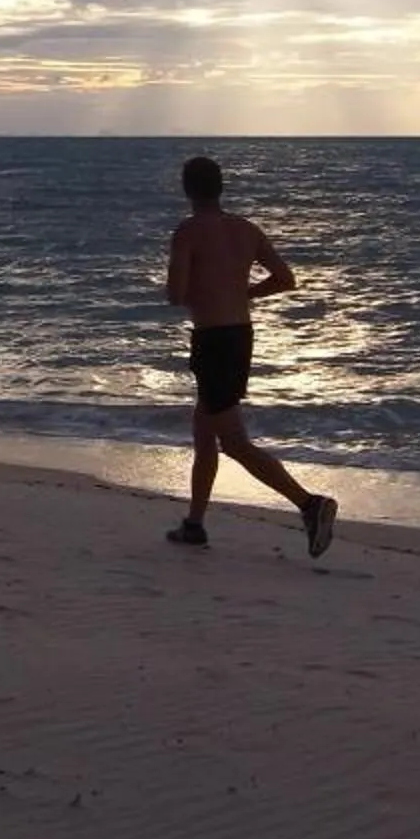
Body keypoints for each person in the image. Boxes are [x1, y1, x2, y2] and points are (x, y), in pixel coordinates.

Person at [162, 154, 337, 557]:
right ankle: (194, 525)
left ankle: (310, 505)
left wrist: (202, 290)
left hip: (212, 340)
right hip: (241, 335)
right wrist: (243, 293)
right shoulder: (246, 229)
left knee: (234, 442)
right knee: (204, 433)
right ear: (220, 187)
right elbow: (285, 279)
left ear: (187, 190)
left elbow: (176, 294)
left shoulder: (188, 232)